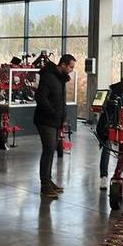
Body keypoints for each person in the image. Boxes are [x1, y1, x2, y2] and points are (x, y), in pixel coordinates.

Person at [33, 54, 76, 198]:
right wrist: (52, 113)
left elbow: (60, 100)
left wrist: (63, 117)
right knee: (49, 150)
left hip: (56, 121)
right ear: (63, 65)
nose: (71, 70)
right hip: (45, 120)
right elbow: (40, 97)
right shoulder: (48, 77)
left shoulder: (60, 79)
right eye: (70, 66)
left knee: (51, 151)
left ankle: (48, 181)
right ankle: (44, 185)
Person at [97, 76, 123, 190]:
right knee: (107, 146)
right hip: (110, 121)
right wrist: (113, 126)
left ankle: (118, 175)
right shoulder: (113, 93)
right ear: (122, 86)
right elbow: (109, 112)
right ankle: (104, 177)